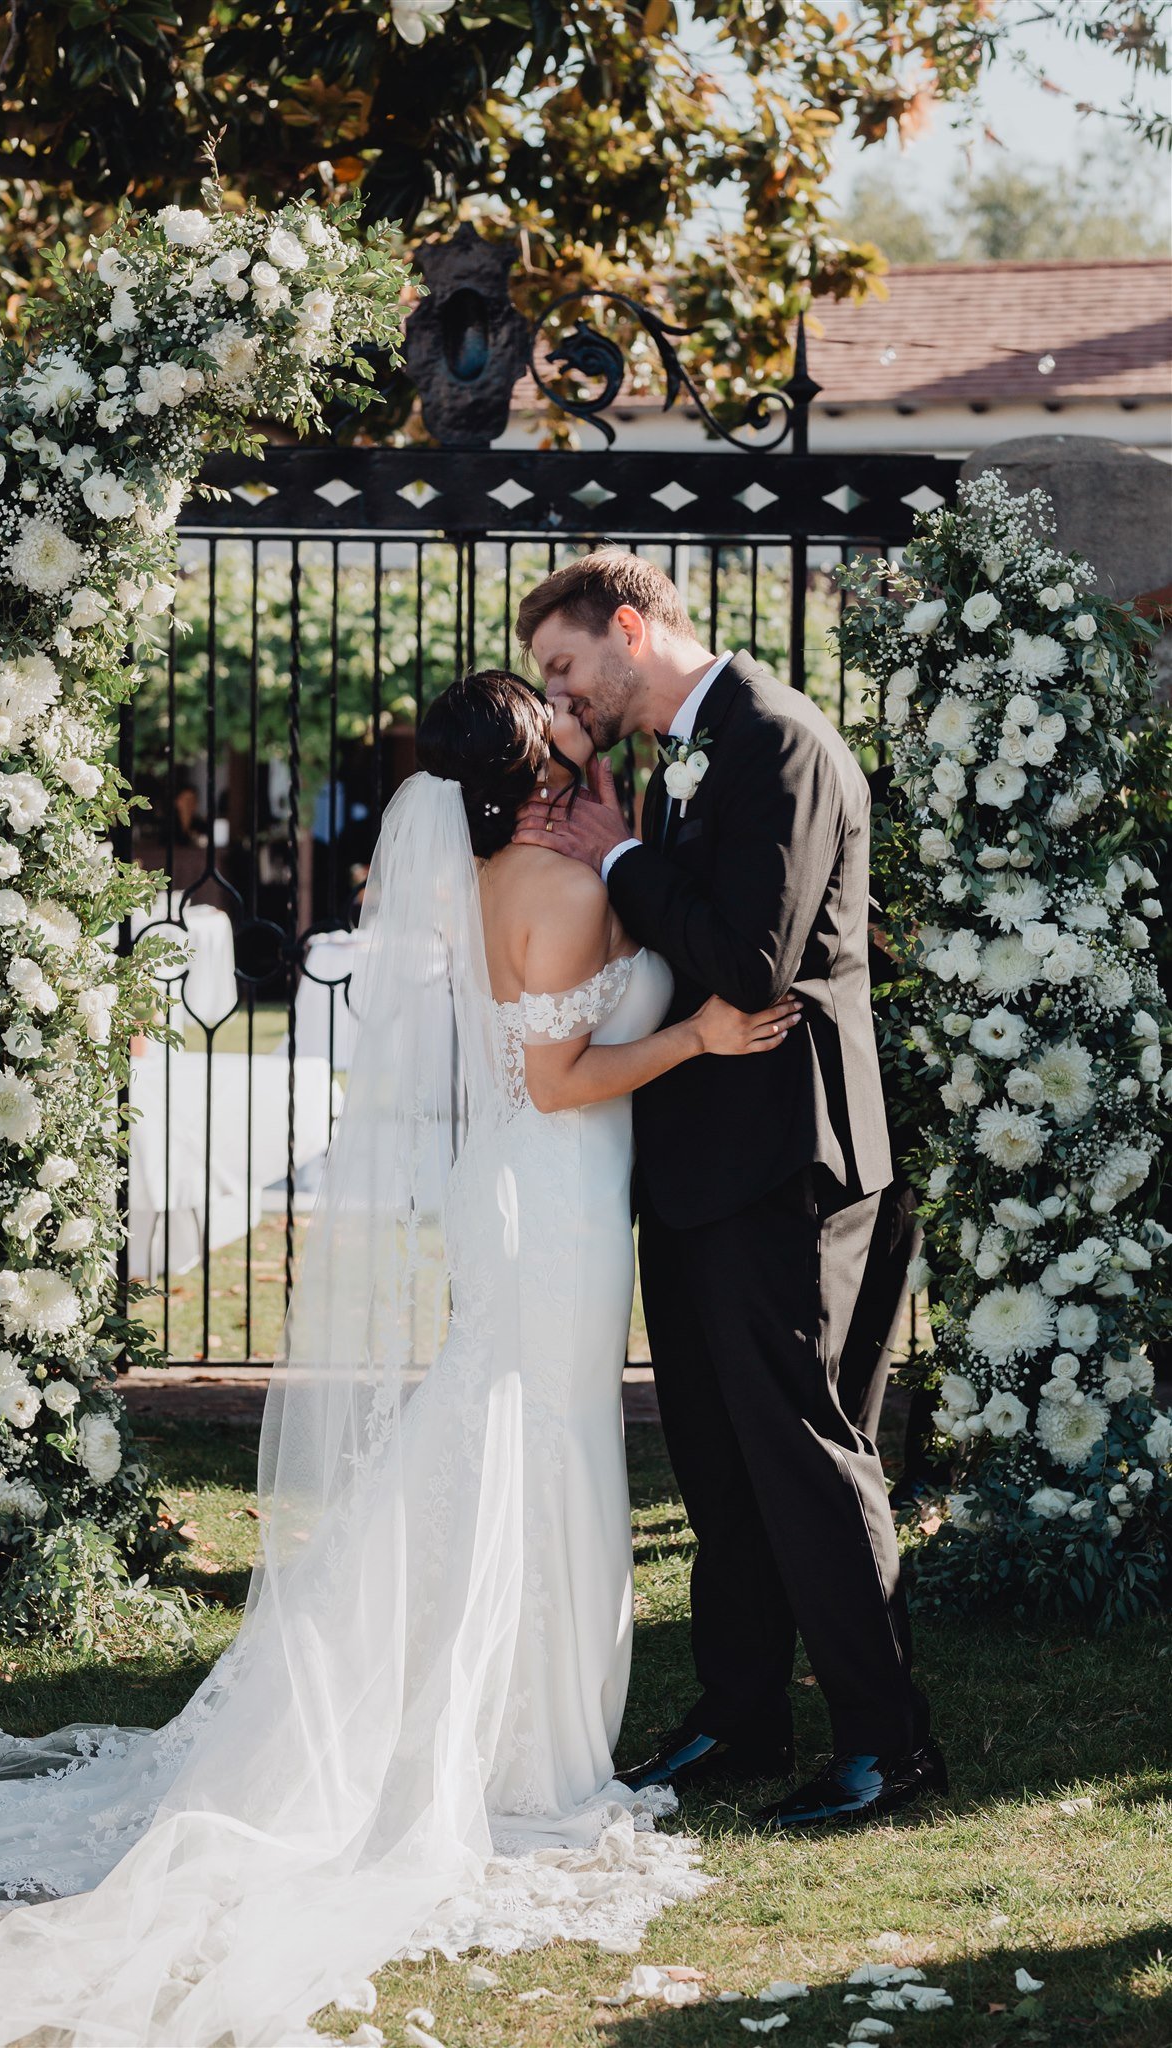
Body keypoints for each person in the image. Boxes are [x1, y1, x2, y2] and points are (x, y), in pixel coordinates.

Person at [0, 671, 798, 2048]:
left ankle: (467, 1702)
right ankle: (504, 1734)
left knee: (512, 1430)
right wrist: (695, 1031)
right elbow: (561, 1076)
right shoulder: (559, 893)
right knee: (527, 1437)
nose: (586, 721)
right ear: (533, 767)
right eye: (563, 718)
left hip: (535, 1188)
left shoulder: (514, 874)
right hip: (553, 1190)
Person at [511, 549, 945, 1830]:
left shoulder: (776, 739)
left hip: (785, 1157)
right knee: (714, 1458)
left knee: (806, 1453)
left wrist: (620, 857)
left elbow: (750, 965)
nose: (561, 695)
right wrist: (626, 853)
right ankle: (738, 1714)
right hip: (698, 1158)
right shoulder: (676, 756)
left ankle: (889, 1742)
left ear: (632, 629)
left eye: (567, 665)